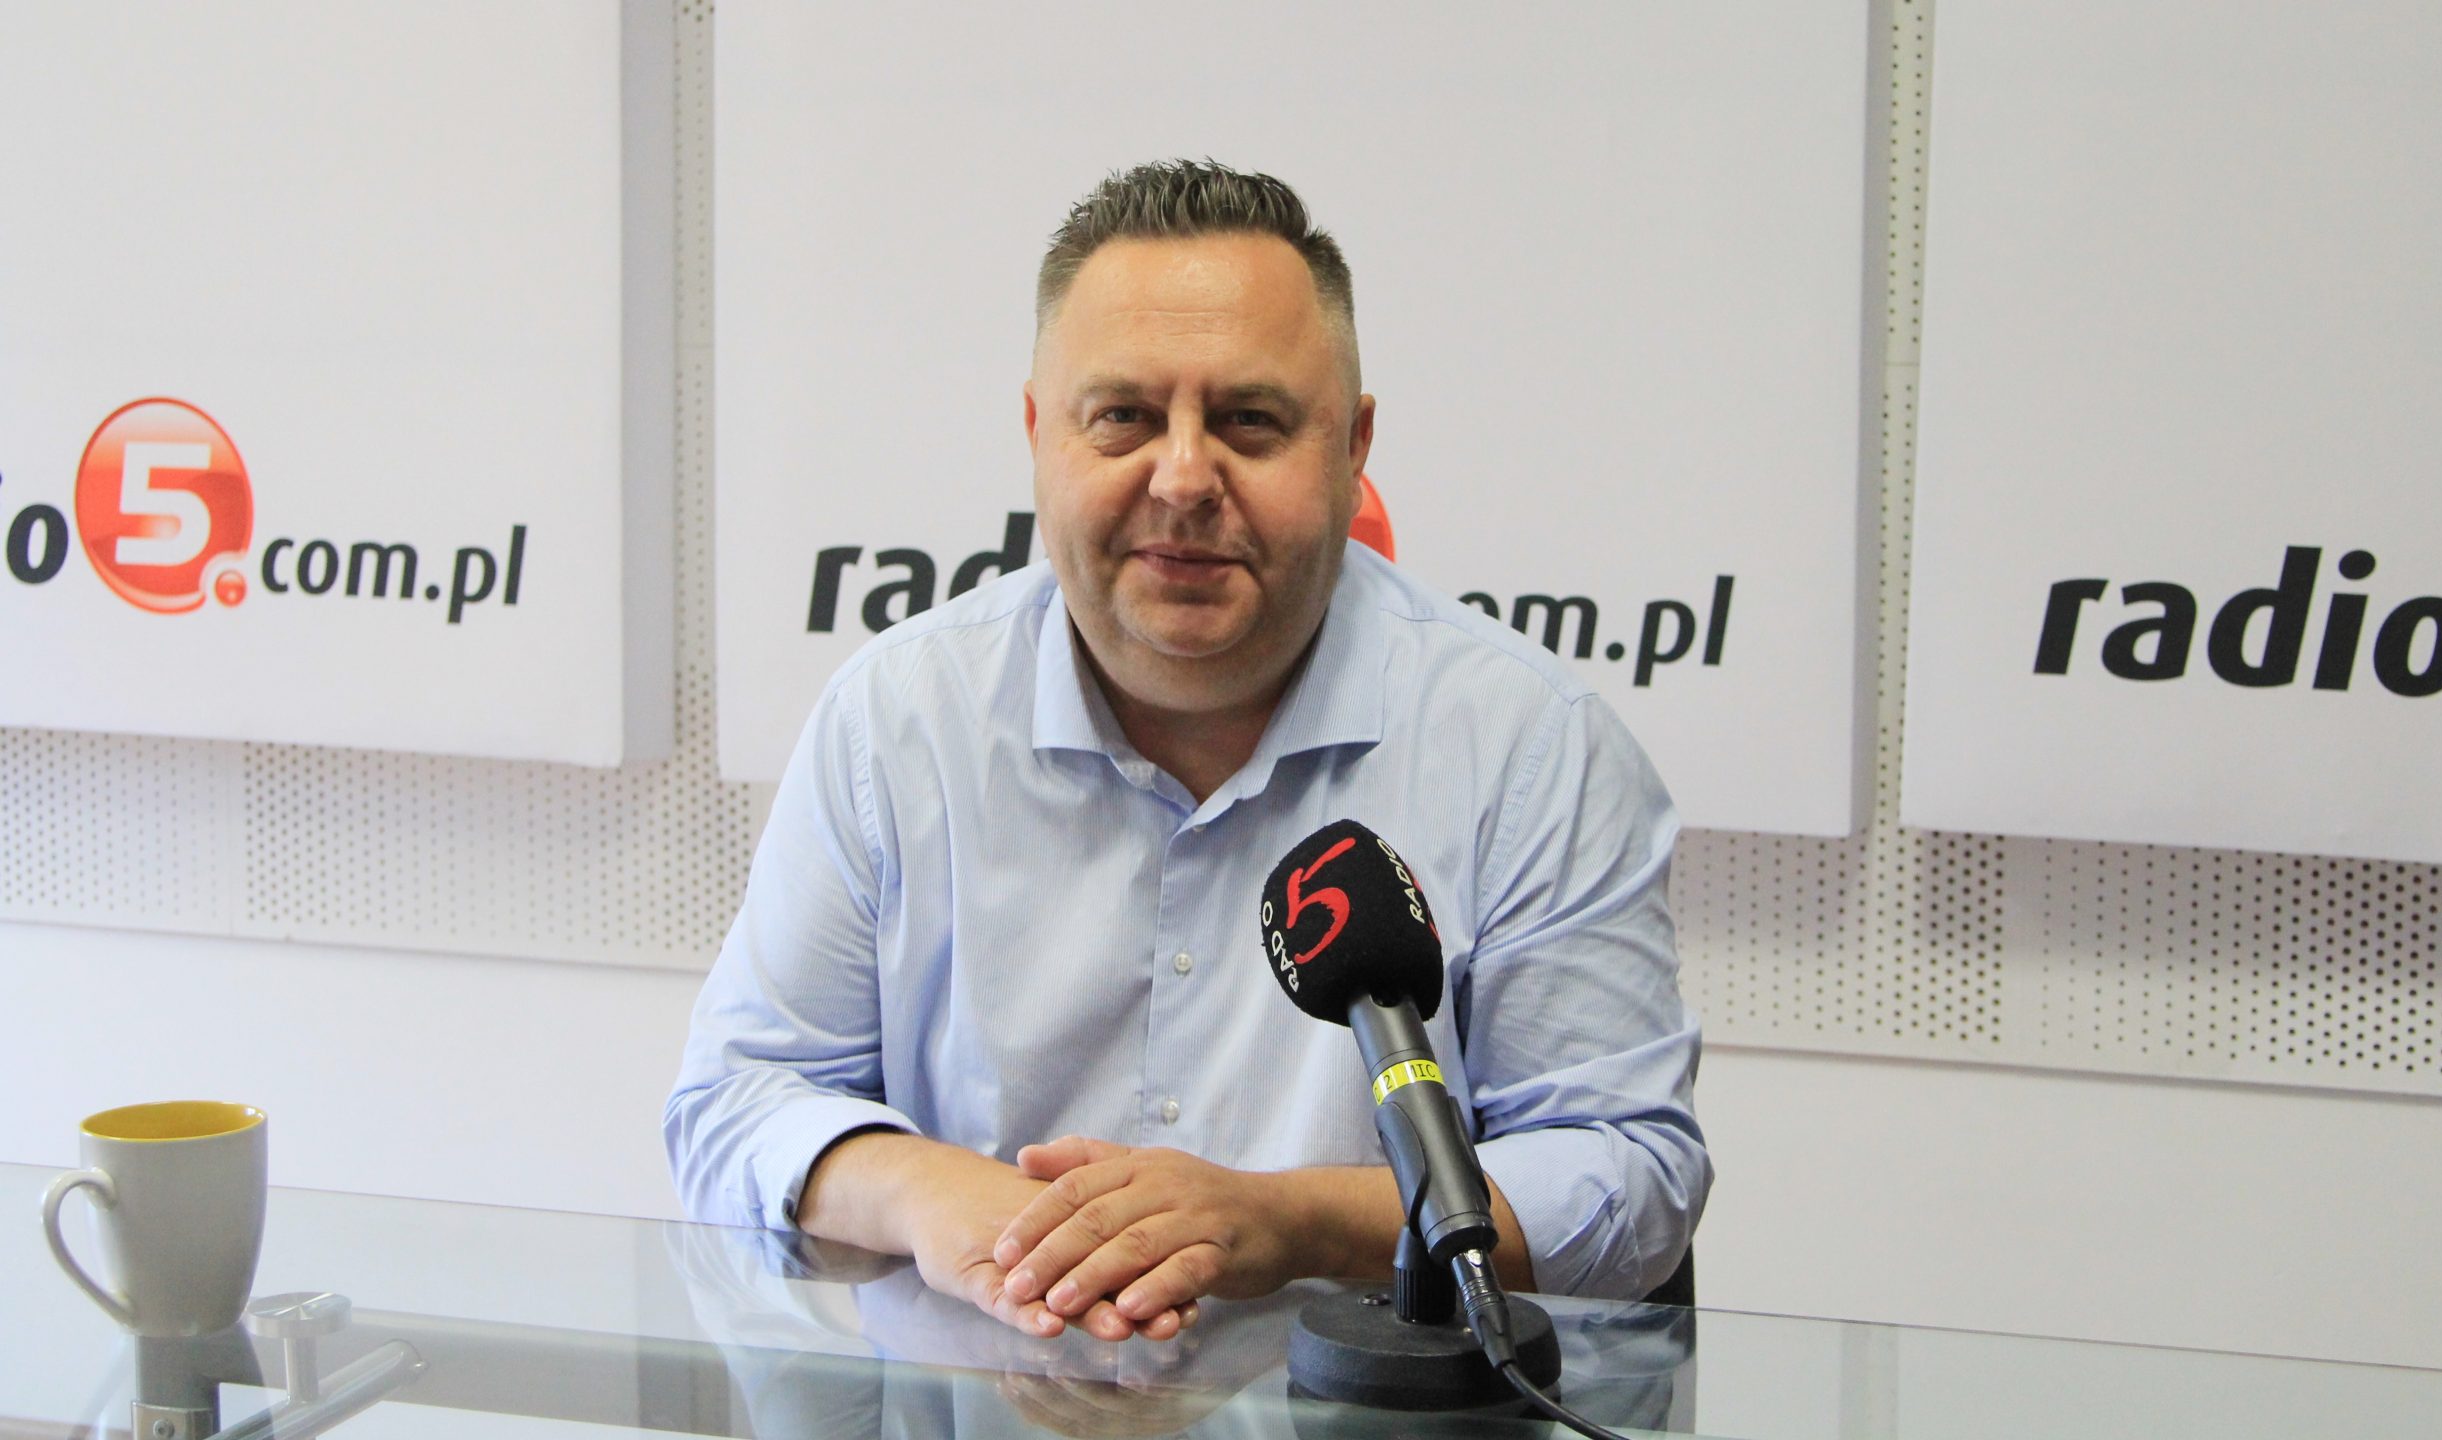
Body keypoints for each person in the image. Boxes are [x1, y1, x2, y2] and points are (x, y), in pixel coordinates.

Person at [666, 159, 1707, 1345]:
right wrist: (930, 1195)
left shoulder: (1529, 747)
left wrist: (1288, 1223)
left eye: (1249, 421)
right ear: (1038, 434)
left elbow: (1631, 1179)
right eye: (1121, 416)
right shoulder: (896, 719)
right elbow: (730, 1108)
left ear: (1353, 446)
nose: (1181, 478)